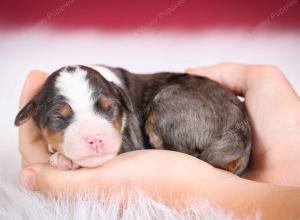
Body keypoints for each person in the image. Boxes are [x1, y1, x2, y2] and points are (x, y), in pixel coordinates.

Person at [19, 63, 300, 218]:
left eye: (107, 111)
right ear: (33, 115)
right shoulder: (114, 94)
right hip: (219, 138)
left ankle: (213, 163)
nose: (93, 136)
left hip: (212, 126)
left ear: (120, 100)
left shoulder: (126, 95)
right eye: (61, 118)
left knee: (165, 105)